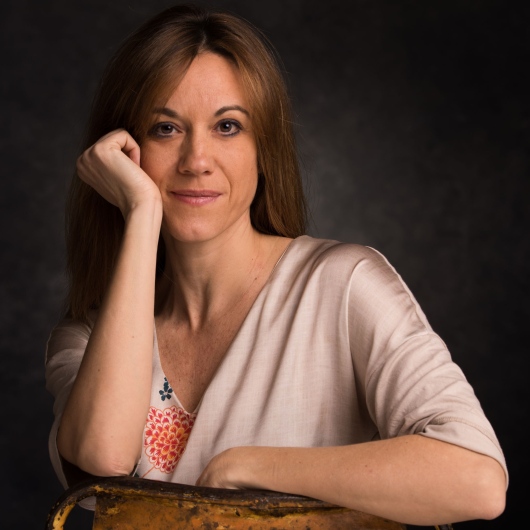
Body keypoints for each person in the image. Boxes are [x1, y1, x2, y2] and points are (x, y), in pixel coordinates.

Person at [45, 4, 507, 527]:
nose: (197, 160)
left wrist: (245, 467)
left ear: (263, 149)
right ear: (125, 153)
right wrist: (142, 212)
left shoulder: (342, 286)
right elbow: (103, 462)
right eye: (165, 128)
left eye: (227, 126)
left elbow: (477, 480)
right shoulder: (87, 337)